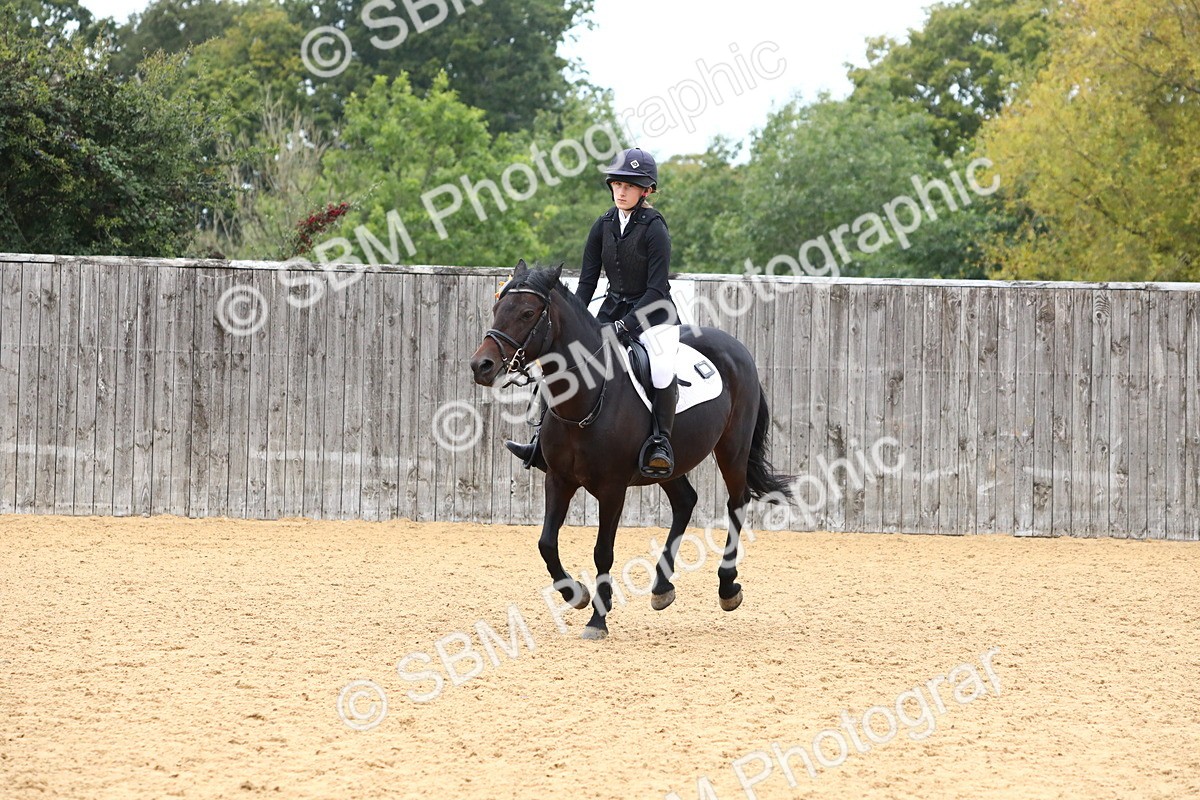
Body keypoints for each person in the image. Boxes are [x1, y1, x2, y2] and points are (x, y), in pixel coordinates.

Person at [505, 146, 680, 477]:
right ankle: (541, 439)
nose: (621, 191)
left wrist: (623, 326)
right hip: (611, 309)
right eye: (616, 184)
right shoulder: (603, 225)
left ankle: (660, 442)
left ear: (647, 190)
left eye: (629, 185)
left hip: (654, 314)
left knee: (659, 368)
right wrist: (573, 322)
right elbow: (586, 284)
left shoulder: (655, 227)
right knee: (562, 360)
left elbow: (657, 289)